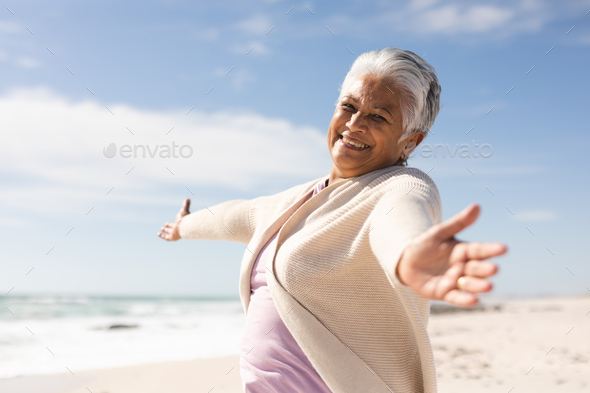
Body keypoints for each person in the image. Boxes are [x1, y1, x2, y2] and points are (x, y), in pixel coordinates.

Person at [157, 47, 507, 393]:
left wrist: (408, 253)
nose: (355, 124)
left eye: (378, 117)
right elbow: (233, 216)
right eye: (348, 107)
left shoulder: (397, 188)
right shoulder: (295, 201)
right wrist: (182, 228)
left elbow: (401, 215)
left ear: (409, 142)